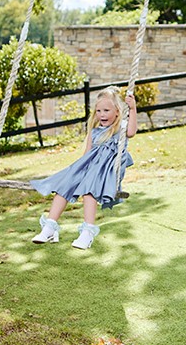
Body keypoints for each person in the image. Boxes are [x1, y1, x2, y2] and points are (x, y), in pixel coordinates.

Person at [30, 86, 137, 250]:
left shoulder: (119, 128)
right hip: (90, 167)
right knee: (64, 185)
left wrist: (133, 108)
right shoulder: (94, 131)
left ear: (117, 111)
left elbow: (132, 131)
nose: (101, 114)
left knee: (89, 191)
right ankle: (49, 227)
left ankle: (87, 233)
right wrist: (76, 174)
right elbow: (87, 154)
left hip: (106, 170)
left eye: (106, 110)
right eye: (99, 110)